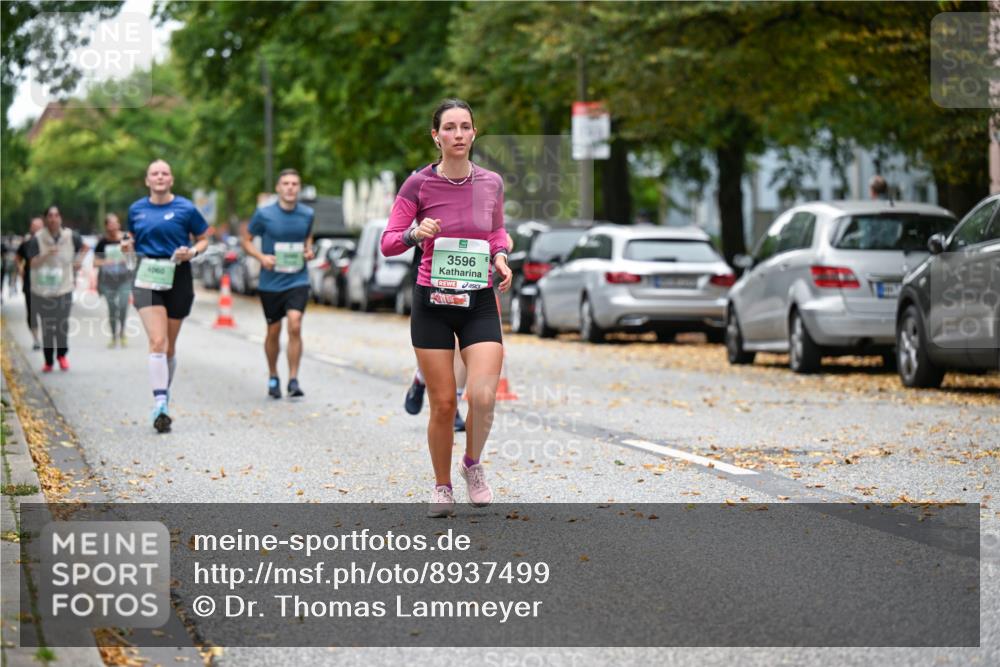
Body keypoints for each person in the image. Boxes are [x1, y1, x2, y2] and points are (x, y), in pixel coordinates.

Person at [381, 98, 512, 518]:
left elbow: (496, 231)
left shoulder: (491, 182)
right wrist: (416, 233)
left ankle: (472, 463)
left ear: (474, 133)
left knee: (483, 395)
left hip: (478, 300)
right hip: (432, 302)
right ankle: (442, 486)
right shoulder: (417, 185)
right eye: (449, 127)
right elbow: (388, 242)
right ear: (435, 136)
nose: (458, 134)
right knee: (442, 404)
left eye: (465, 126)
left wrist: (500, 257)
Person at [121, 159, 210, 433]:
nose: (160, 177)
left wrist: (192, 252)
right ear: (147, 180)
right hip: (147, 276)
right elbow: (130, 239)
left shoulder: (186, 208)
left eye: (164, 173)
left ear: (171, 179)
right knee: (158, 341)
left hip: (178, 275)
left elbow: (204, 238)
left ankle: (163, 396)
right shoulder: (136, 209)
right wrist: (127, 246)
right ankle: (160, 404)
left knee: (169, 347)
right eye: (154, 173)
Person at [242, 168, 315, 398]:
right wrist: (261, 257)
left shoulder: (307, 214)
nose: (290, 188)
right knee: (273, 331)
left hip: (298, 279)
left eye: (294, 184)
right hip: (271, 282)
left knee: (295, 323)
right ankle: (273, 375)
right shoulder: (264, 214)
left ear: (299, 188)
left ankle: (293, 379)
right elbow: (246, 240)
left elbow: (308, 237)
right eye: (286, 183)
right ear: (278, 188)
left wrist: (309, 250)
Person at [25, 206, 87, 372]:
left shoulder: (71, 236)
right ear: (46, 219)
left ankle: (61, 355)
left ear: (60, 218)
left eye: (56, 215)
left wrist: (78, 261)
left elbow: (85, 247)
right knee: (47, 326)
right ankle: (48, 360)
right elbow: (32, 263)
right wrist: (46, 253)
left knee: (62, 324)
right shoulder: (37, 238)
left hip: (64, 288)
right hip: (43, 290)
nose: (53, 219)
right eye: (50, 216)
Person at [93, 213, 132, 348]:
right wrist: (106, 262)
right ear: (106, 226)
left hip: (124, 279)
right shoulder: (102, 242)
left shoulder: (126, 239)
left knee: (123, 305)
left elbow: (133, 258)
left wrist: (127, 257)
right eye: (111, 224)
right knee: (112, 308)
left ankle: (122, 332)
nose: (114, 226)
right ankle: (113, 336)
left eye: (116, 223)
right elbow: (95, 262)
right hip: (107, 281)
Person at [16, 218, 44, 349]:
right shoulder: (26, 244)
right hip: (30, 282)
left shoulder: (48, 243)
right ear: (30, 228)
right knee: (32, 312)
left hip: (46, 284)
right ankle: (36, 339)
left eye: (39, 226)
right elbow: (18, 257)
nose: (37, 228)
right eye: (34, 226)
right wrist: (20, 268)